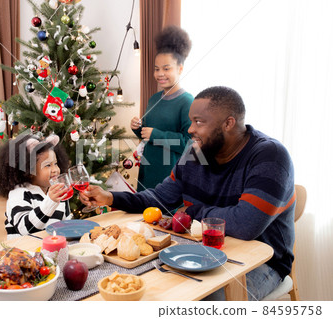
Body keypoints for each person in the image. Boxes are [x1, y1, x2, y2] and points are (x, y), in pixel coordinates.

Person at [81, 86, 295, 301]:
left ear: (228, 123)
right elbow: (160, 198)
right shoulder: (195, 152)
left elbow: (246, 224)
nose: (191, 129)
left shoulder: (270, 156)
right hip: (201, 252)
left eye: (199, 122)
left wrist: (193, 211)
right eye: (191, 121)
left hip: (259, 264)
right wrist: (111, 197)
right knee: (148, 293)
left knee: (201, 302)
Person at [130, 26, 194, 191]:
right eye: (156, 69)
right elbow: (147, 134)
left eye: (166, 68)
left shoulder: (187, 102)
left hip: (171, 178)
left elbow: (190, 144)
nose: (160, 74)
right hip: (147, 173)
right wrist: (137, 128)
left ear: (180, 69)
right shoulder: (154, 99)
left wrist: (156, 135)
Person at [0, 133, 72, 238]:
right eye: (47, 165)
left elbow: (65, 224)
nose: (55, 170)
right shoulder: (19, 194)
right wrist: (50, 202)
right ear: (28, 171)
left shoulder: (57, 193)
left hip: (51, 250)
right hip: (24, 251)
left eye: (56, 163)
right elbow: (25, 229)